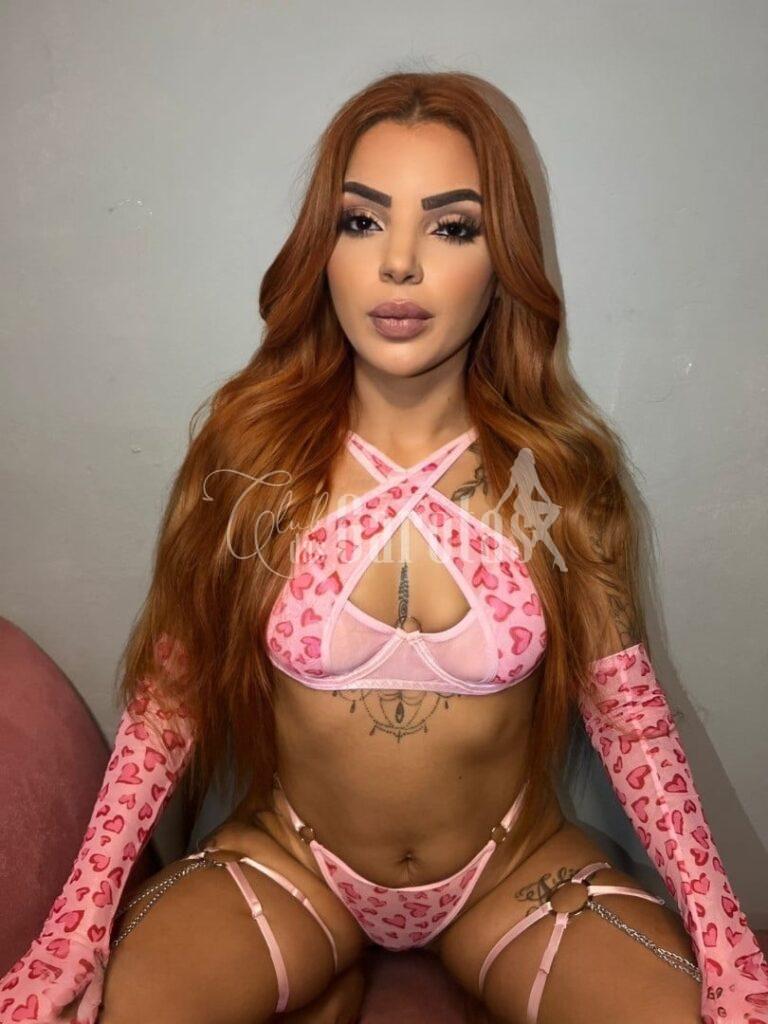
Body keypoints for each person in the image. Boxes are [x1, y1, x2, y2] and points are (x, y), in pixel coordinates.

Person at [3, 71, 765, 1024]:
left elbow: (628, 720)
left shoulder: (557, 478)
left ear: (504, 261)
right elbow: (169, 703)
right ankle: (325, 966)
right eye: (362, 221)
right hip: (289, 865)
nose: (399, 264)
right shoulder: (250, 461)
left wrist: (729, 949)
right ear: (322, 249)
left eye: (452, 228)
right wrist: (72, 930)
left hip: (516, 876)